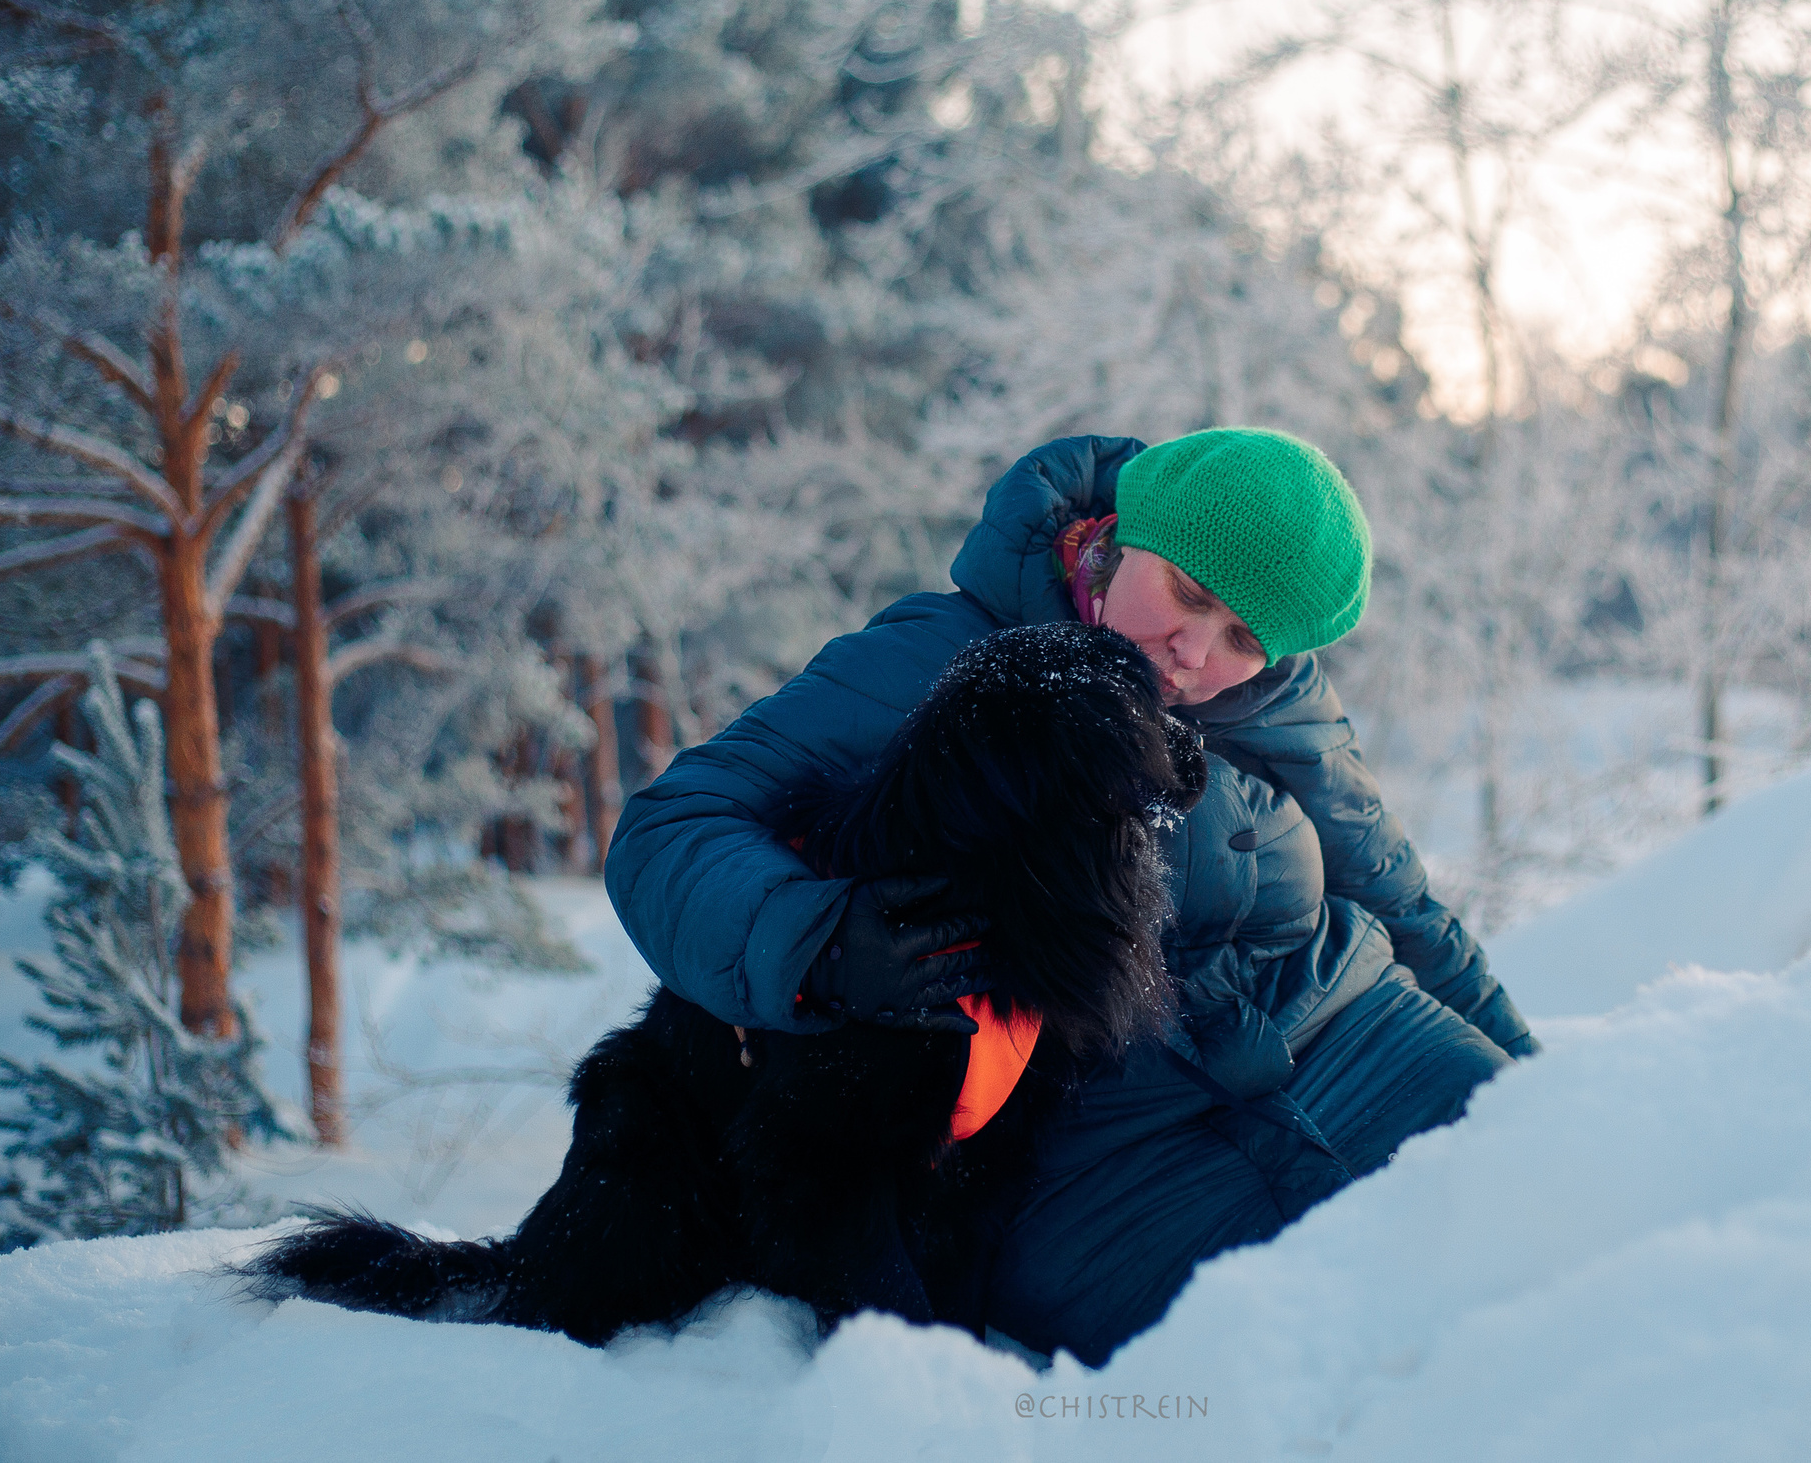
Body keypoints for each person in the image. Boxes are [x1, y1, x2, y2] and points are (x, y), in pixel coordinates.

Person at [606, 430, 1537, 1366]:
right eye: (1189, 594)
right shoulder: (945, 664)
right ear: (1124, 534)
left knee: (1562, 1217)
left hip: (1356, 1031)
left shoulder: (1283, 702)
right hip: (1099, 1146)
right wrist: (819, 945)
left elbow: (1399, 896)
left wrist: (1554, 1081)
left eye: (1244, 638)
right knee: (1319, 1369)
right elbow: (672, 826)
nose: (1194, 652)